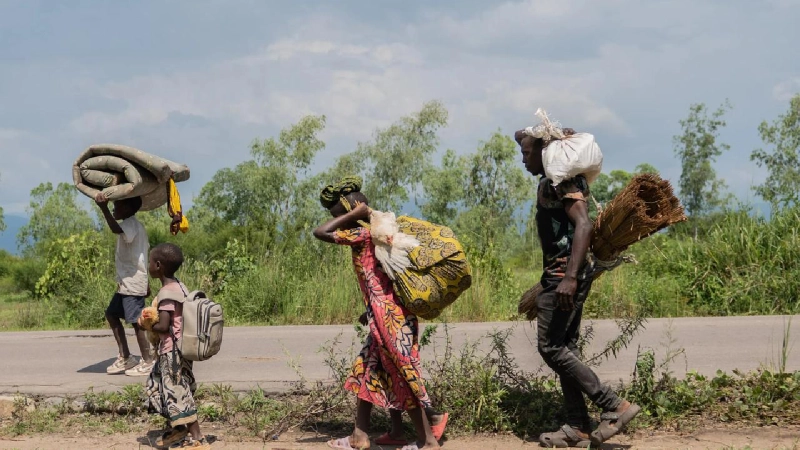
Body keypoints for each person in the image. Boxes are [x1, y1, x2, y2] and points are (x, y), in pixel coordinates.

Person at [515, 128, 641, 447]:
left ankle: (613, 405)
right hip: (563, 275)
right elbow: (523, 135)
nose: (523, 157)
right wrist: (540, 134)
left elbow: (583, 225)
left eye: (527, 152)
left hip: (563, 278)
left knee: (551, 347)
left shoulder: (562, 183)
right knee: (565, 348)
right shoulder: (555, 182)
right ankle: (577, 426)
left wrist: (569, 278)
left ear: (544, 153)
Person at [313, 177, 447, 450]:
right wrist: (370, 309)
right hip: (386, 314)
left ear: (354, 211)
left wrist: (353, 215)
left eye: (339, 215)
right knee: (368, 370)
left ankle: (428, 441)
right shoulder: (374, 236)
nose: (338, 220)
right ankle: (359, 436)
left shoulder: (362, 234)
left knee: (403, 376)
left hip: (389, 319)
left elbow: (321, 232)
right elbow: (385, 280)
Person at [139, 243, 210, 449]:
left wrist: (145, 322)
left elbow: (163, 325)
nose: (149, 266)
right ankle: (178, 429)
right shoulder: (180, 286)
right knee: (157, 384)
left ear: (158, 265)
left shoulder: (166, 294)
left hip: (172, 351)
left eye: (150, 262)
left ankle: (197, 437)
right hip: (181, 349)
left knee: (178, 392)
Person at [96, 194, 154, 377]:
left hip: (132, 282)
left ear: (128, 209)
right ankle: (126, 356)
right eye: (112, 206)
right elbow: (141, 255)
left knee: (138, 322)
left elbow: (114, 228)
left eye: (116, 205)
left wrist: (103, 207)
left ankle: (148, 361)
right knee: (112, 314)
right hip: (127, 283)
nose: (114, 208)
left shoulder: (130, 223)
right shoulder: (134, 226)